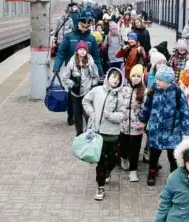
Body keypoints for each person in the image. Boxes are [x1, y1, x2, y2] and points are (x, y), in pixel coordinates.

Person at [139, 66, 189, 186]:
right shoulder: (153, 90)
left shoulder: (178, 93)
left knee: (173, 156)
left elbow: (185, 113)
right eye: (157, 79)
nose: (157, 82)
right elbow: (147, 106)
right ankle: (152, 172)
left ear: (167, 81)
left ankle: (174, 176)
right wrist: (143, 120)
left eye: (159, 80)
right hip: (156, 130)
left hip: (172, 131)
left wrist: (185, 132)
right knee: (154, 154)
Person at [82, 67, 126, 201]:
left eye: (118, 79)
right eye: (113, 77)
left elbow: (122, 115)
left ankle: (108, 171)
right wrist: (91, 112)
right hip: (97, 134)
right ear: (108, 77)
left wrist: (111, 116)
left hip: (112, 135)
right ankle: (100, 187)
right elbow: (85, 101)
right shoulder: (97, 91)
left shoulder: (120, 96)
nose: (115, 80)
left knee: (112, 160)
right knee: (100, 162)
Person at [60, 41, 100, 133]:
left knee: (87, 115)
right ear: (77, 51)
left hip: (87, 92)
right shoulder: (71, 62)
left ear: (87, 51)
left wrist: (92, 85)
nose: (82, 51)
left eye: (84, 49)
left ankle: (89, 133)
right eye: (80, 49)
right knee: (77, 116)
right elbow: (64, 77)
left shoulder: (91, 61)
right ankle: (79, 134)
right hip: (75, 93)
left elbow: (95, 77)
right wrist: (72, 84)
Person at [119, 65, 146, 182]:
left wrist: (144, 121)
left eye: (138, 76)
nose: (135, 78)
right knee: (123, 145)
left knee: (135, 148)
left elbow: (145, 108)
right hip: (124, 123)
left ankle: (133, 170)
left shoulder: (144, 91)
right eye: (133, 76)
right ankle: (123, 158)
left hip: (137, 124)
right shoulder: (124, 89)